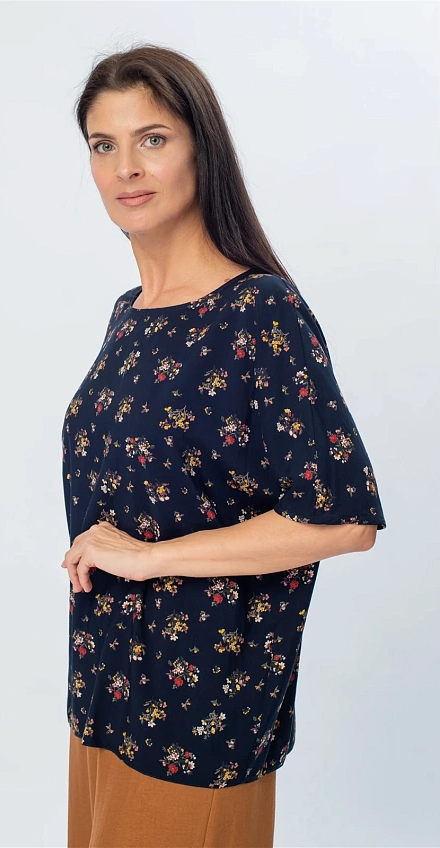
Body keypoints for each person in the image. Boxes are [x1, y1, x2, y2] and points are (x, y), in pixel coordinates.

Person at [61, 43, 386, 848]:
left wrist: (150, 559)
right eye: (103, 144)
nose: (125, 168)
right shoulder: (128, 314)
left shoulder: (260, 311)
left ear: (201, 148)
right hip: (103, 700)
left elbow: (343, 519)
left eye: (152, 138)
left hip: (200, 721)